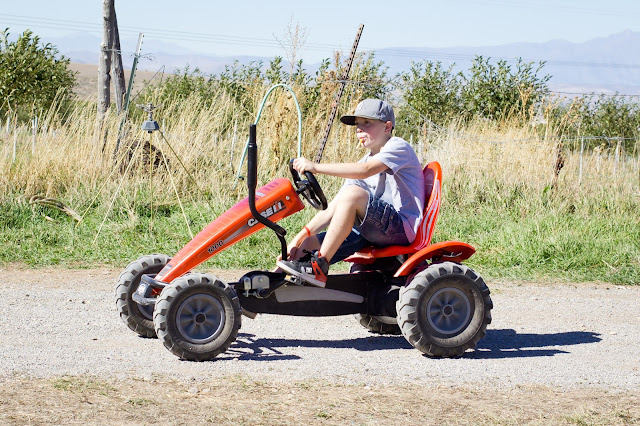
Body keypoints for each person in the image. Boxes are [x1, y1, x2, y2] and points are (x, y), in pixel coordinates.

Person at [276, 99, 425, 287]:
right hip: (372, 230)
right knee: (307, 245)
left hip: (401, 229)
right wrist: (298, 239)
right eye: (357, 125)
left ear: (387, 127)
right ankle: (271, 284)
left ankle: (319, 267)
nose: (359, 130)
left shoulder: (398, 147)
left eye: (367, 123)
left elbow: (365, 171)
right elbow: (333, 208)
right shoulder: (365, 160)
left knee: (353, 194)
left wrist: (316, 167)